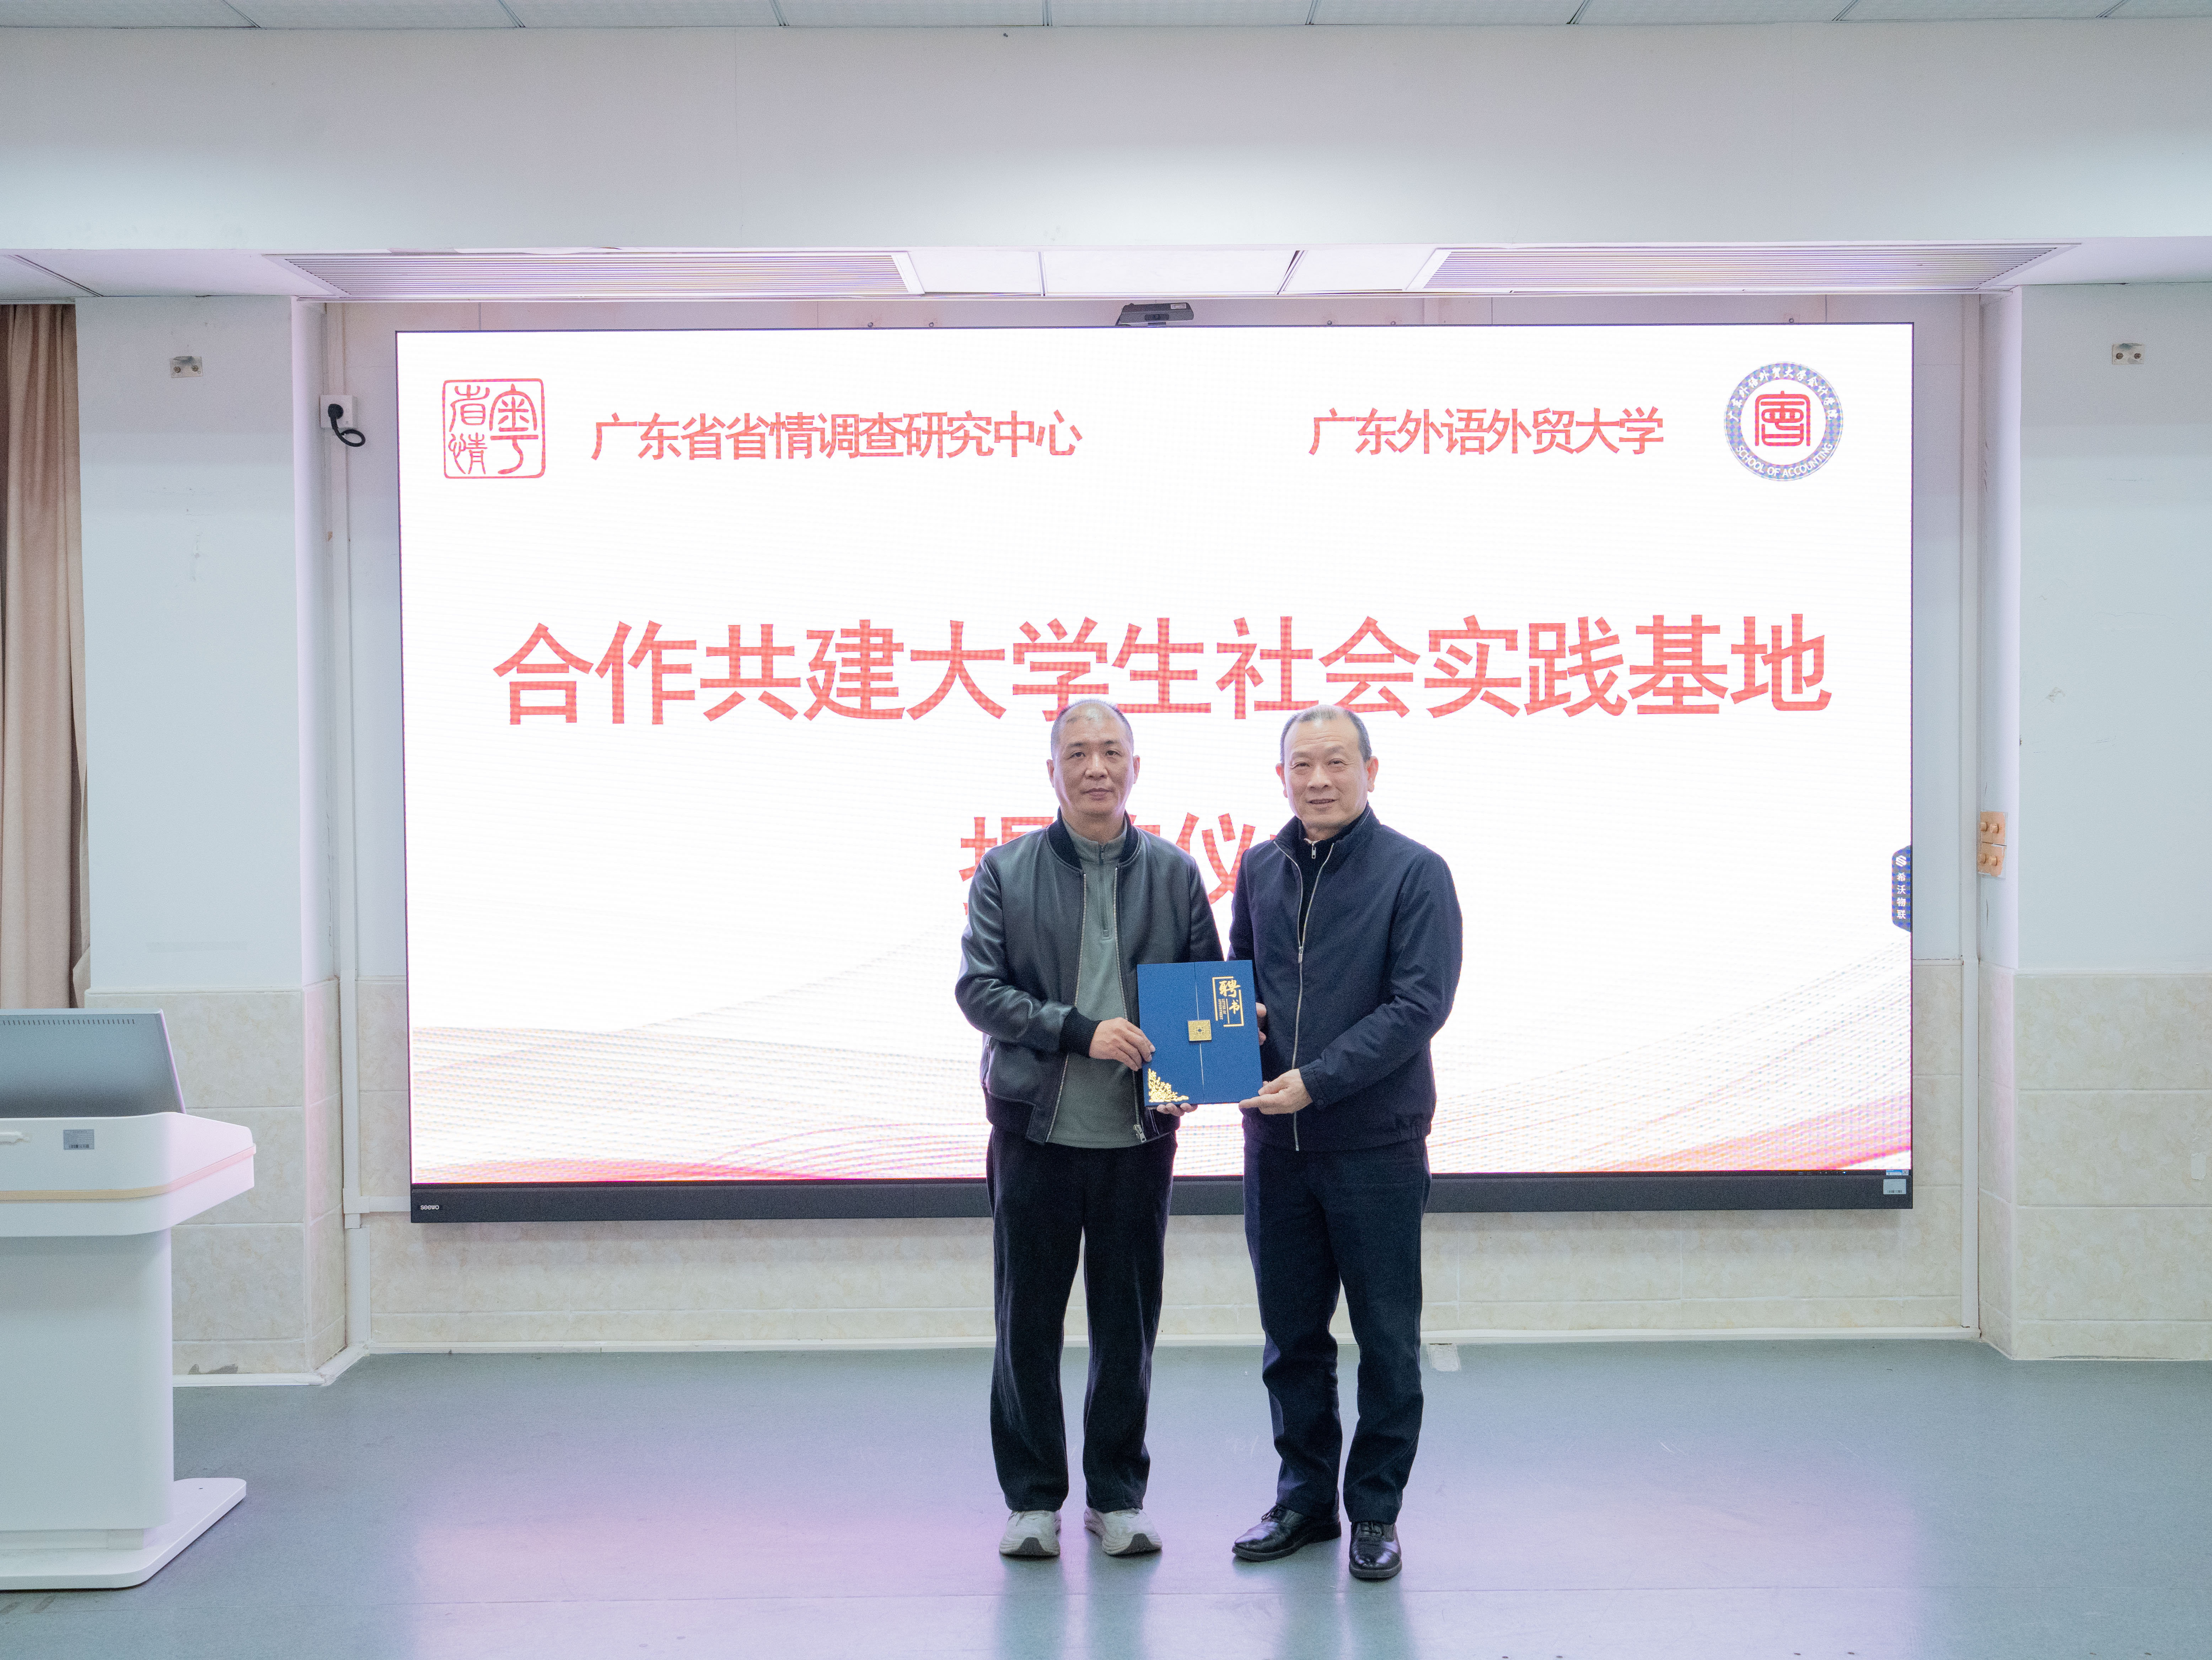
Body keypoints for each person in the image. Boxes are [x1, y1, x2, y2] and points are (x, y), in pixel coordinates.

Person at [955, 698, 1223, 1562]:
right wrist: (1081, 1030)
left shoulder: (1176, 873)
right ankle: (1033, 1498)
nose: (1096, 767)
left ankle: (1117, 1494)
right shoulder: (1005, 870)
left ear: (1135, 767)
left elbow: (1205, 990)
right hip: (1034, 1133)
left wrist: (1200, 1070)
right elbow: (979, 991)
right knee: (1025, 1323)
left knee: (1125, 1326)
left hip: (1137, 1140)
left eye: (1112, 751)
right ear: (1053, 771)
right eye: (1078, 753)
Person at [1227, 704, 1463, 1583]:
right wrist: (1233, 1032)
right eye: (1302, 764)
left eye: (1336, 761)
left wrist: (1318, 1079)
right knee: (1290, 1338)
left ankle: (1374, 1511)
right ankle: (1303, 1500)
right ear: (1280, 776)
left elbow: (1418, 1004)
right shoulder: (1261, 866)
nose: (1318, 779)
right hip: (1275, 1145)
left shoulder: (1414, 871)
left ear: (1371, 769)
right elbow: (1237, 981)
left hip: (1374, 1145)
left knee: (1386, 1339)